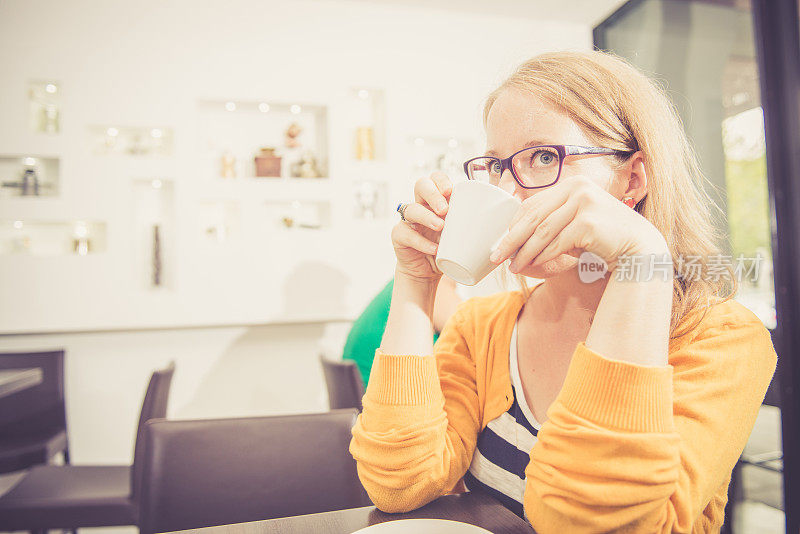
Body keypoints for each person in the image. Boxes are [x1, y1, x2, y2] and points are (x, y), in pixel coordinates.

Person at [349, 50, 777, 533]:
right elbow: (400, 483)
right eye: (496, 165)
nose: (510, 192)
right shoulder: (483, 327)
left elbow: (596, 521)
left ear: (632, 179)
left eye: (543, 157)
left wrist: (642, 261)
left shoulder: (721, 339)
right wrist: (415, 281)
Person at [342, 275, 461, 384]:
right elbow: (470, 334)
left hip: (366, 393)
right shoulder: (427, 283)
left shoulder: (405, 282)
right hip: (385, 395)